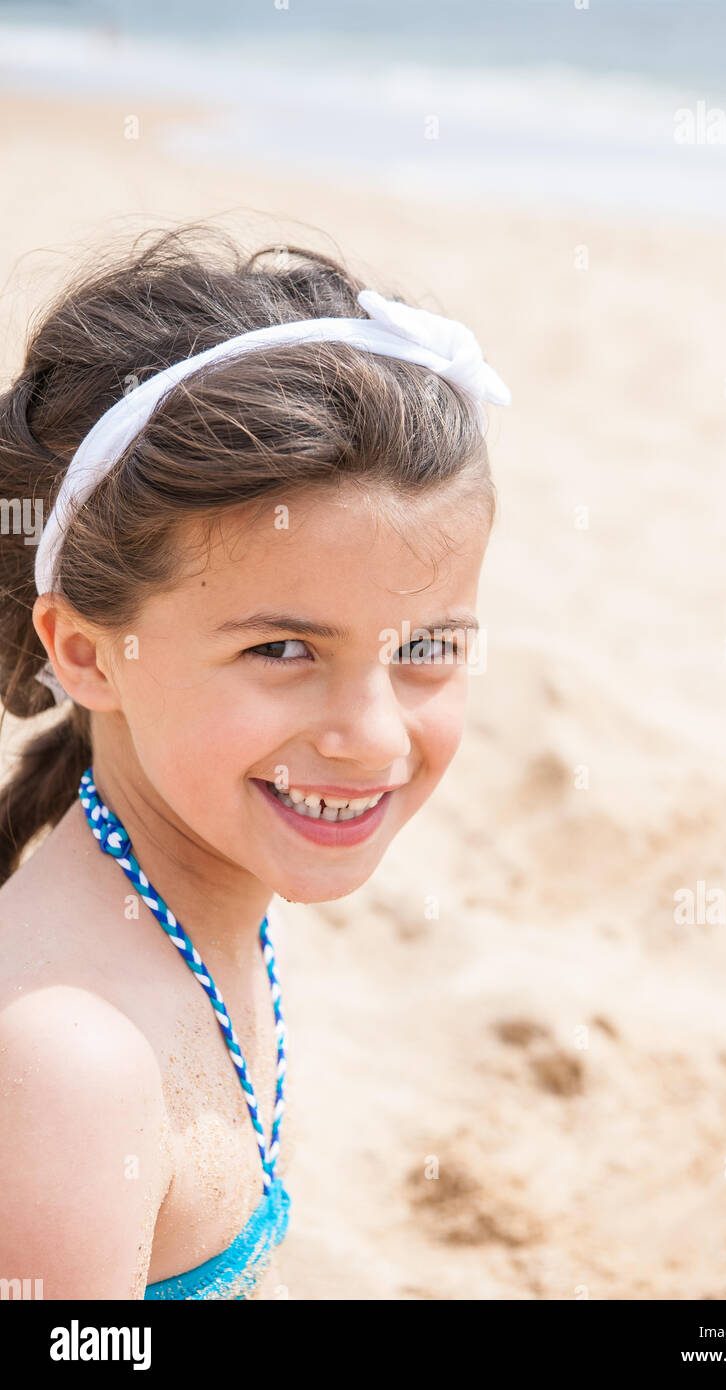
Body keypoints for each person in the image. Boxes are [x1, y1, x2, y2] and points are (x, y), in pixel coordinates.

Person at [0, 225, 510, 1298]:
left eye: (425, 648)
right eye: (282, 649)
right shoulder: (70, 1067)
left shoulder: (182, 903)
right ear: (86, 652)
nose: (370, 736)